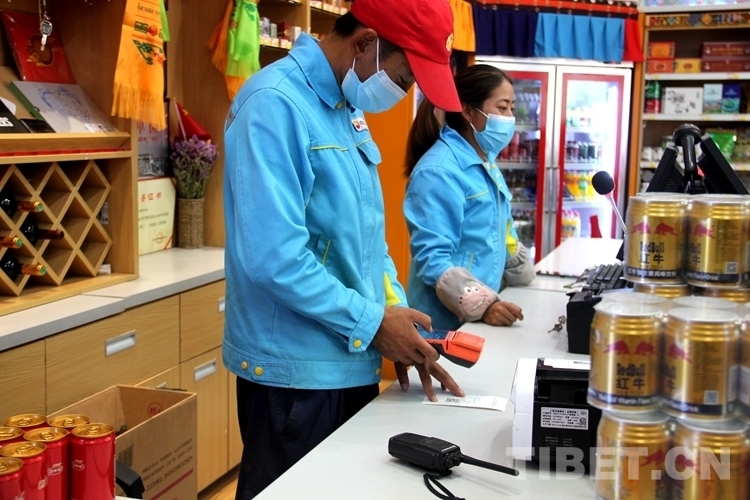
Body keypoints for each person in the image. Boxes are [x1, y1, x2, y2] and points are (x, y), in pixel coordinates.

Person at [222, 0, 466, 497]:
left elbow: (367, 242)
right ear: (364, 44)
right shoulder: (274, 104)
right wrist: (374, 324)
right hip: (295, 377)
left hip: (349, 357)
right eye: (403, 78)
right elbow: (275, 258)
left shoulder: (345, 107)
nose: (403, 93)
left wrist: (398, 320)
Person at [403, 64, 537, 333]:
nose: (510, 117)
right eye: (502, 108)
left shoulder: (485, 162)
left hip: (477, 321)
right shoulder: (439, 171)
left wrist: (524, 274)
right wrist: (484, 306)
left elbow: (501, 234)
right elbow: (433, 258)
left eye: (512, 108)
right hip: (444, 327)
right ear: (467, 112)